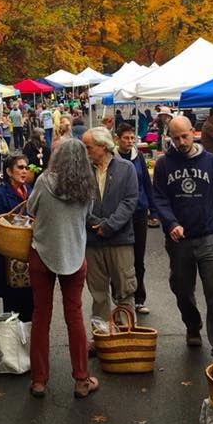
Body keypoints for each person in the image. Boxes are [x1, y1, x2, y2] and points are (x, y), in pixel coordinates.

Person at [152, 115, 213, 359]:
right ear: (170, 138)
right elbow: (159, 198)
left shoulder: (211, 162)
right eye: (175, 138)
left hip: (209, 237)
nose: (181, 141)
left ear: (194, 132)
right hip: (179, 242)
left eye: (184, 136)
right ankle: (192, 325)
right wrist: (171, 223)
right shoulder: (164, 165)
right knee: (182, 289)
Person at [26, 139, 99, 400]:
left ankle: (39, 381)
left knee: (41, 316)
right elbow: (88, 215)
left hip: (42, 253)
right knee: (75, 316)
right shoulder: (87, 186)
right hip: (74, 255)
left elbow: (30, 208)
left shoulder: (44, 181)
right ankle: (81, 379)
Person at [82, 127, 138, 329]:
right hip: (92, 240)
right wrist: (94, 223)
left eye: (88, 147)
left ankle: (127, 336)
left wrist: (110, 225)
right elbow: (79, 202)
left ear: (103, 146)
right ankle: (102, 336)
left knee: (125, 289)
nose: (85, 151)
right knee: (98, 292)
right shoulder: (84, 171)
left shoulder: (126, 168)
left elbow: (130, 201)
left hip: (119, 239)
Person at [0, 155, 34, 321]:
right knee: (13, 309)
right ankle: (13, 343)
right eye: (20, 167)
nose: (24, 171)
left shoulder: (30, 190)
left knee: (31, 306)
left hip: (29, 256)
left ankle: (29, 342)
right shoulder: (0, 194)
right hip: (9, 260)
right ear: (8, 171)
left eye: (26, 168)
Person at [116, 123, 154, 315]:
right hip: (120, 214)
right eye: (126, 138)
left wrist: (153, 209)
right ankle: (120, 297)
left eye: (132, 138)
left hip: (139, 212)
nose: (130, 141)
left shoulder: (138, 156)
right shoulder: (112, 158)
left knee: (138, 258)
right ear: (118, 139)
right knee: (120, 258)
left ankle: (140, 298)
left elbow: (147, 183)